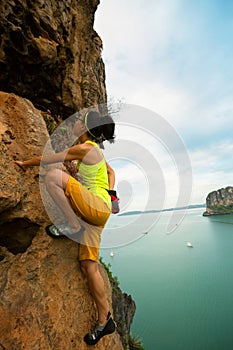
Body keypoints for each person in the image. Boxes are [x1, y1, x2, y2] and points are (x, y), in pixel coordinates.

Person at [15, 111, 117, 345]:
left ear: (86, 129)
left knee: (53, 177)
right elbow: (110, 172)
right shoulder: (95, 153)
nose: (76, 122)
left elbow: (49, 160)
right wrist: (111, 194)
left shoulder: (85, 149)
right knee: (88, 266)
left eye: (81, 120)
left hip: (95, 208)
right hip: (100, 212)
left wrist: (25, 163)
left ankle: (71, 224)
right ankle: (104, 321)